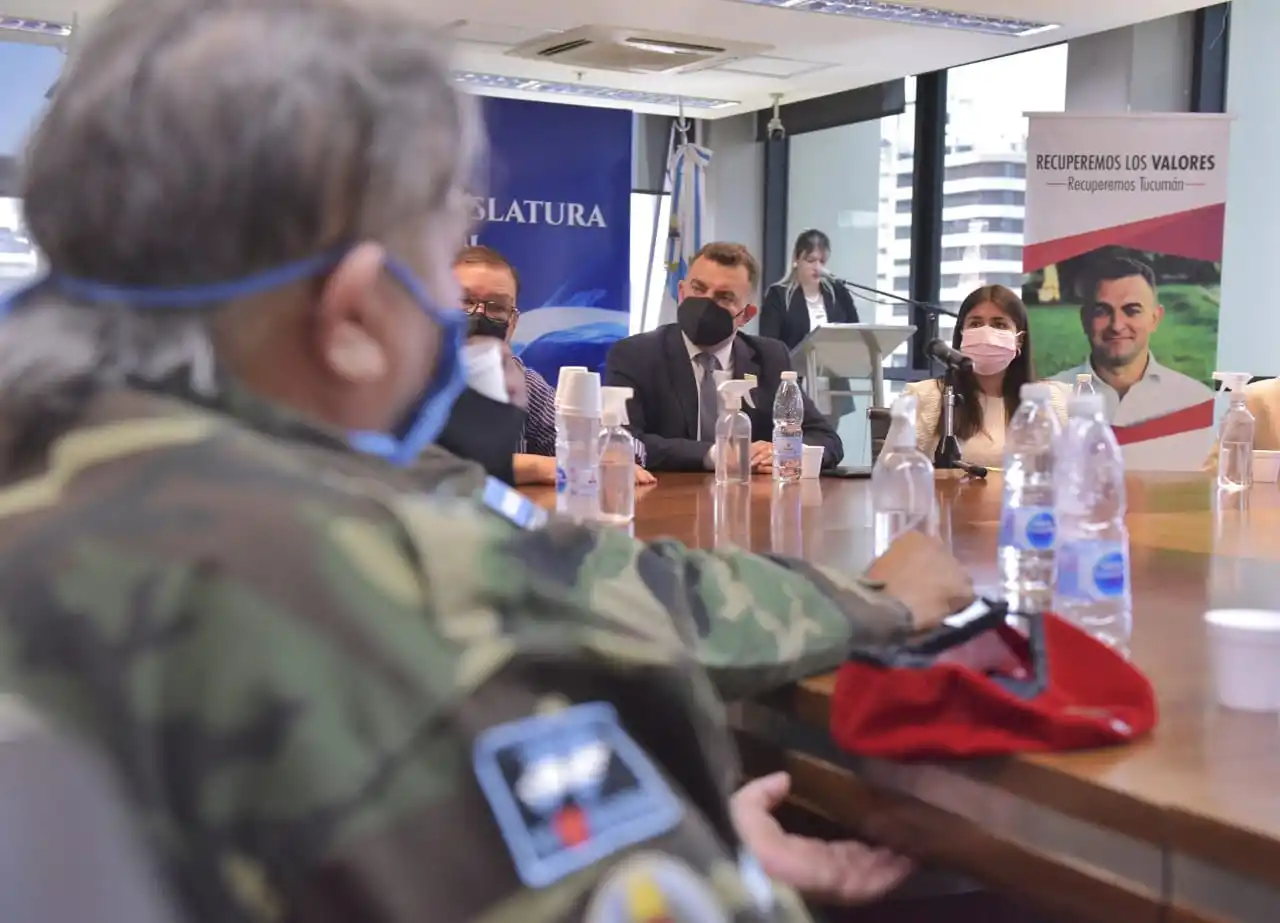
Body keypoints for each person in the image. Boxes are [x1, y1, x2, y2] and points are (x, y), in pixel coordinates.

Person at [0, 1, 976, 920]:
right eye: (436, 262)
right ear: (349, 317)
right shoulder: (383, 604)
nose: (461, 313)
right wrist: (711, 861)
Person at [605, 241, 843, 473]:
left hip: (749, 503)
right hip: (663, 500)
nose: (706, 303)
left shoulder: (770, 358)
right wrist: (714, 455)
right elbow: (623, 441)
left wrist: (787, 452)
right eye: (698, 289)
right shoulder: (635, 355)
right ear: (681, 292)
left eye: (724, 297)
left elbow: (826, 438)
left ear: (746, 315)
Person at [452, 244, 654, 486]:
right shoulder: (407, 381)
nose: (480, 314)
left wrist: (607, 452)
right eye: (465, 300)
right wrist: (539, 467)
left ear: (513, 323)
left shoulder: (524, 382)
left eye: (497, 307)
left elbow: (623, 450)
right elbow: (430, 467)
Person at [1053, 254, 1214, 468]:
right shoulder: (1049, 401)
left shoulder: (1195, 401)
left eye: (1132, 311)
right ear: (1084, 320)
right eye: (1102, 311)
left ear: (1155, 318)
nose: (1117, 325)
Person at [905, 285, 1068, 469]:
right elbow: (895, 473)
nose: (986, 334)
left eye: (999, 324)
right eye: (975, 323)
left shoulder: (1051, 399)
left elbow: (1071, 472)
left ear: (1019, 339)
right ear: (962, 334)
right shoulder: (927, 396)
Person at [759, 229, 859, 351]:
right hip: (793, 368)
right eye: (811, 260)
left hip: (835, 368)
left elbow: (856, 335)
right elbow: (768, 345)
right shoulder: (778, 295)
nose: (817, 268)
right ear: (797, 259)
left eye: (821, 261)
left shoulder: (838, 292)